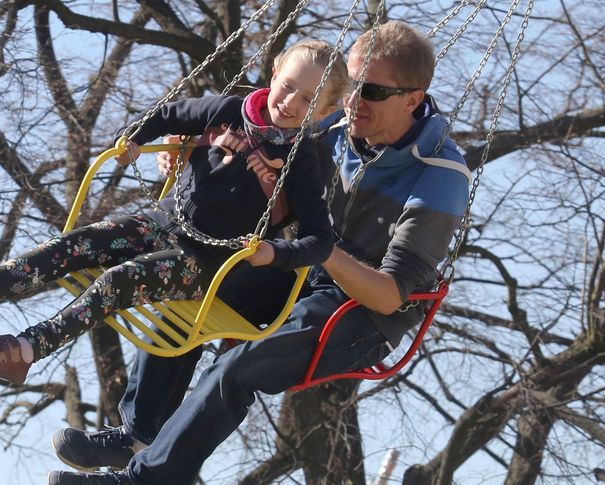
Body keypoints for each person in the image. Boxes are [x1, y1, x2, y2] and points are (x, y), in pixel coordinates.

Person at [45, 20, 472, 485]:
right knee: (188, 278)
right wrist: (186, 145)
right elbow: (244, 131)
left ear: (412, 99)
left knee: (239, 367)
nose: (352, 101)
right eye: (350, 86)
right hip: (298, 267)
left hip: (362, 310)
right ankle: (139, 432)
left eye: (371, 91)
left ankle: (145, 480)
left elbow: (389, 296)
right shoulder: (330, 125)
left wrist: (321, 249)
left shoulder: (440, 174)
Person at [0, 39, 349, 385]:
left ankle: (23, 351)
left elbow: (320, 240)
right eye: (288, 86)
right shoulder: (227, 110)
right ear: (274, 73)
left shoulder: (301, 161)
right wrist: (134, 138)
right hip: (159, 221)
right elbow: (167, 115)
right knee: (77, 242)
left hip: (204, 262)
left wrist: (274, 253)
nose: (291, 102)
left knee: (120, 280)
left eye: (308, 100)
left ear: (325, 112)